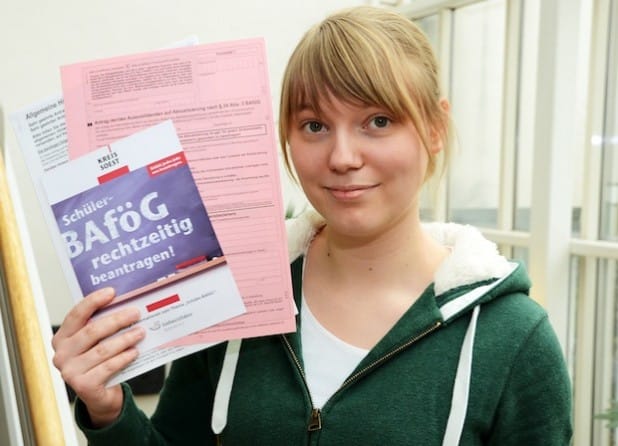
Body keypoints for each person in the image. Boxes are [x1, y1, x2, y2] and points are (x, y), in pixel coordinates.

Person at [51, 6, 573, 445]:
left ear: (434, 130)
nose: (343, 157)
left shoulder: (513, 341)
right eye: (314, 126)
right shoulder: (238, 298)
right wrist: (108, 411)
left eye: (378, 121)